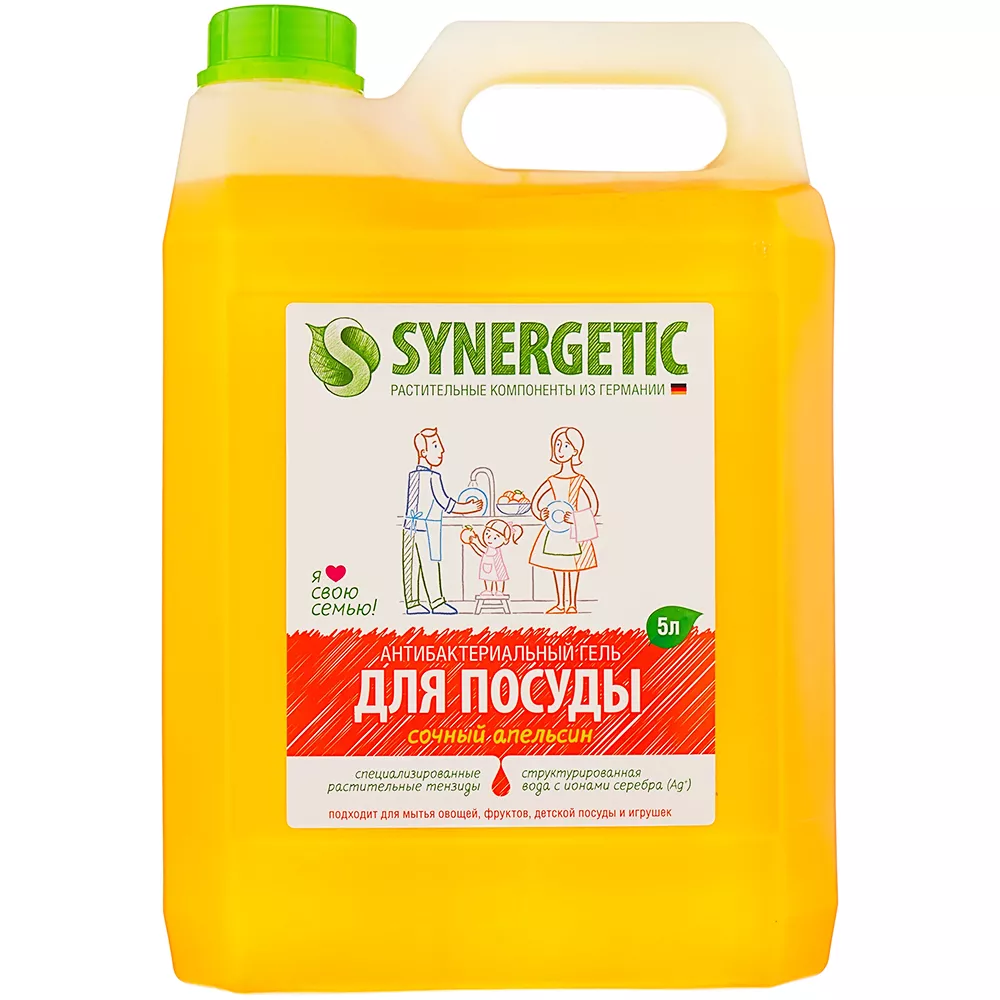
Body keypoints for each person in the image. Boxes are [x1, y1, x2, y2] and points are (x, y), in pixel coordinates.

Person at [402, 428, 482, 614]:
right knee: (429, 565)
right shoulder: (433, 477)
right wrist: (470, 507)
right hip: (427, 528)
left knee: (411, 566)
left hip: (409, 526)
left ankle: (412, 603)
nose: (442, 450)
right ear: (424, 452)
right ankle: (436, 602)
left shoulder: (413, 475)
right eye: (436, 446)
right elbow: (446, 503)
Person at [528, 426, 599, 614]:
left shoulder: (580, 480)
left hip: (573, 530)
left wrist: (575, 518)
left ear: (575, 450)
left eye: (566, 445)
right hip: (554, 528)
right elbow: (535, 503)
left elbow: (594, 506)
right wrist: (541, 513)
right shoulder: (552, 480)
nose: (560, 449)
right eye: (557, 444)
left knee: (573, 568)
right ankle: (560, 603)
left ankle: (572, 604)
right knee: (557, 566)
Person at [461, 519, 524, 595]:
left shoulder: (493, 549)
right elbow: (481, 553)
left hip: (496, 569)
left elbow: (483, 550)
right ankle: (488, 590)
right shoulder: (489, 548)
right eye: (487, 534)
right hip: (488, 568)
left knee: (499, 580)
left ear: (505, 540)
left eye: (495, 538)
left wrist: (475, 542)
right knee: (487, 579)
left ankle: (499, 591)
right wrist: (473, 544)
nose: (489, 539)